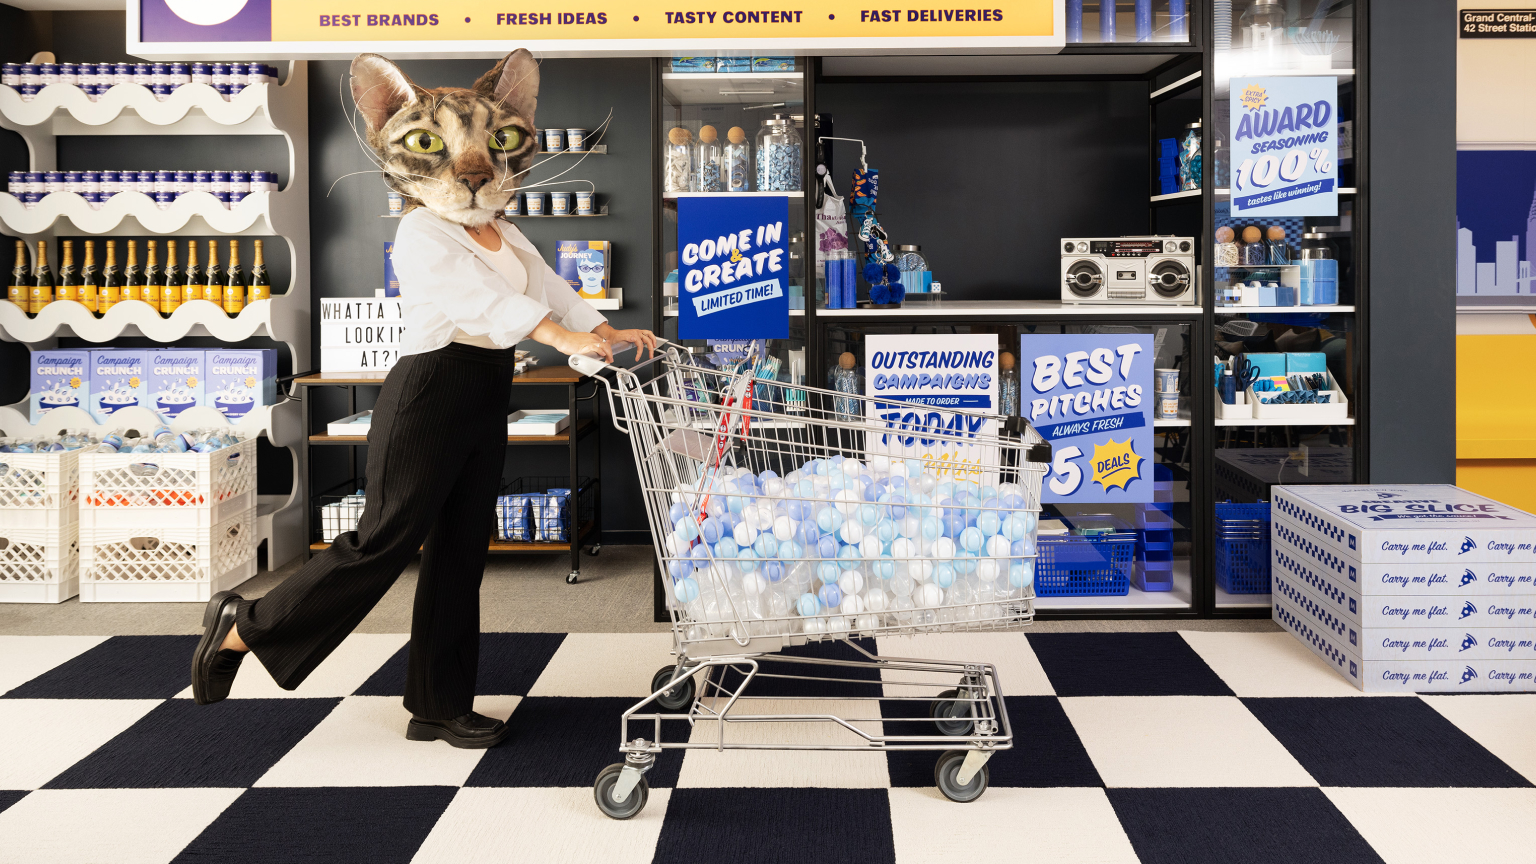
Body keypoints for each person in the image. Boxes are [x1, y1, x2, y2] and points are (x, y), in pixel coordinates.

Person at [190, 50, 655, 748]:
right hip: (430, 390)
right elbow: (481, 301)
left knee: (461, 551)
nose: (472, 171)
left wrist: (602, 329)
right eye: (435, 146)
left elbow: (544, 286)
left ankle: (438, 705)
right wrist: (559, 335)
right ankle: (244, 627)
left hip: (485, 388)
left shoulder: (505, 229)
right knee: (384, 539)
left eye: (492, 146)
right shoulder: (421, 232)